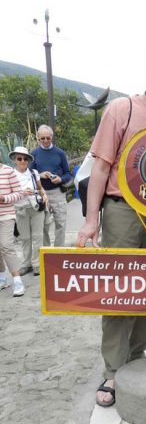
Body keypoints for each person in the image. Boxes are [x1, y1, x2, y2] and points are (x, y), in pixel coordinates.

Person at [75, 46, 146, 407]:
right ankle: (112, 371)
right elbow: (102, 168)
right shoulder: (121, 109)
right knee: (119, 290)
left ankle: (136, 359)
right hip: (122, 210)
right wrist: (92, 221)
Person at [30, 125, 72, 247]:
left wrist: (60, 179)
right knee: (43, 225)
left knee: (61, 224)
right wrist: (40, 174)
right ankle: (46, 252)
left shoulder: (60, 153)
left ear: (52, 137)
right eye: (42, 138)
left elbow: (68, 174)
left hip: (58, 192)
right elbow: (29, 174)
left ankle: (58, 252)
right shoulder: (34, 154)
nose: (45, 141)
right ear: (38, 138)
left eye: (48, 138)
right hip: (42, 193)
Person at [0, 153, 33, 297]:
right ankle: (1, 277)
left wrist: (3, 198)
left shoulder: (8, 171)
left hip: (6, 215)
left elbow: (19, 193)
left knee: (6, 245)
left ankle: (17, 280)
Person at [11, 147, 47, 276]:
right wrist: (22, 193)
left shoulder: (34, 173)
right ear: (14, 159)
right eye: (19, 158)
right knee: (25, 238)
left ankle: (37, 264)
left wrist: (44, 195)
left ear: (28, 160)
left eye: (25, 158)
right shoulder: (11, 174)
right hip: (20, 209)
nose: (22, 161)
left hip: (35, 208)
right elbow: (8, 193)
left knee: (38, 237)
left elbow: (40, 188)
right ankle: (26, 264)